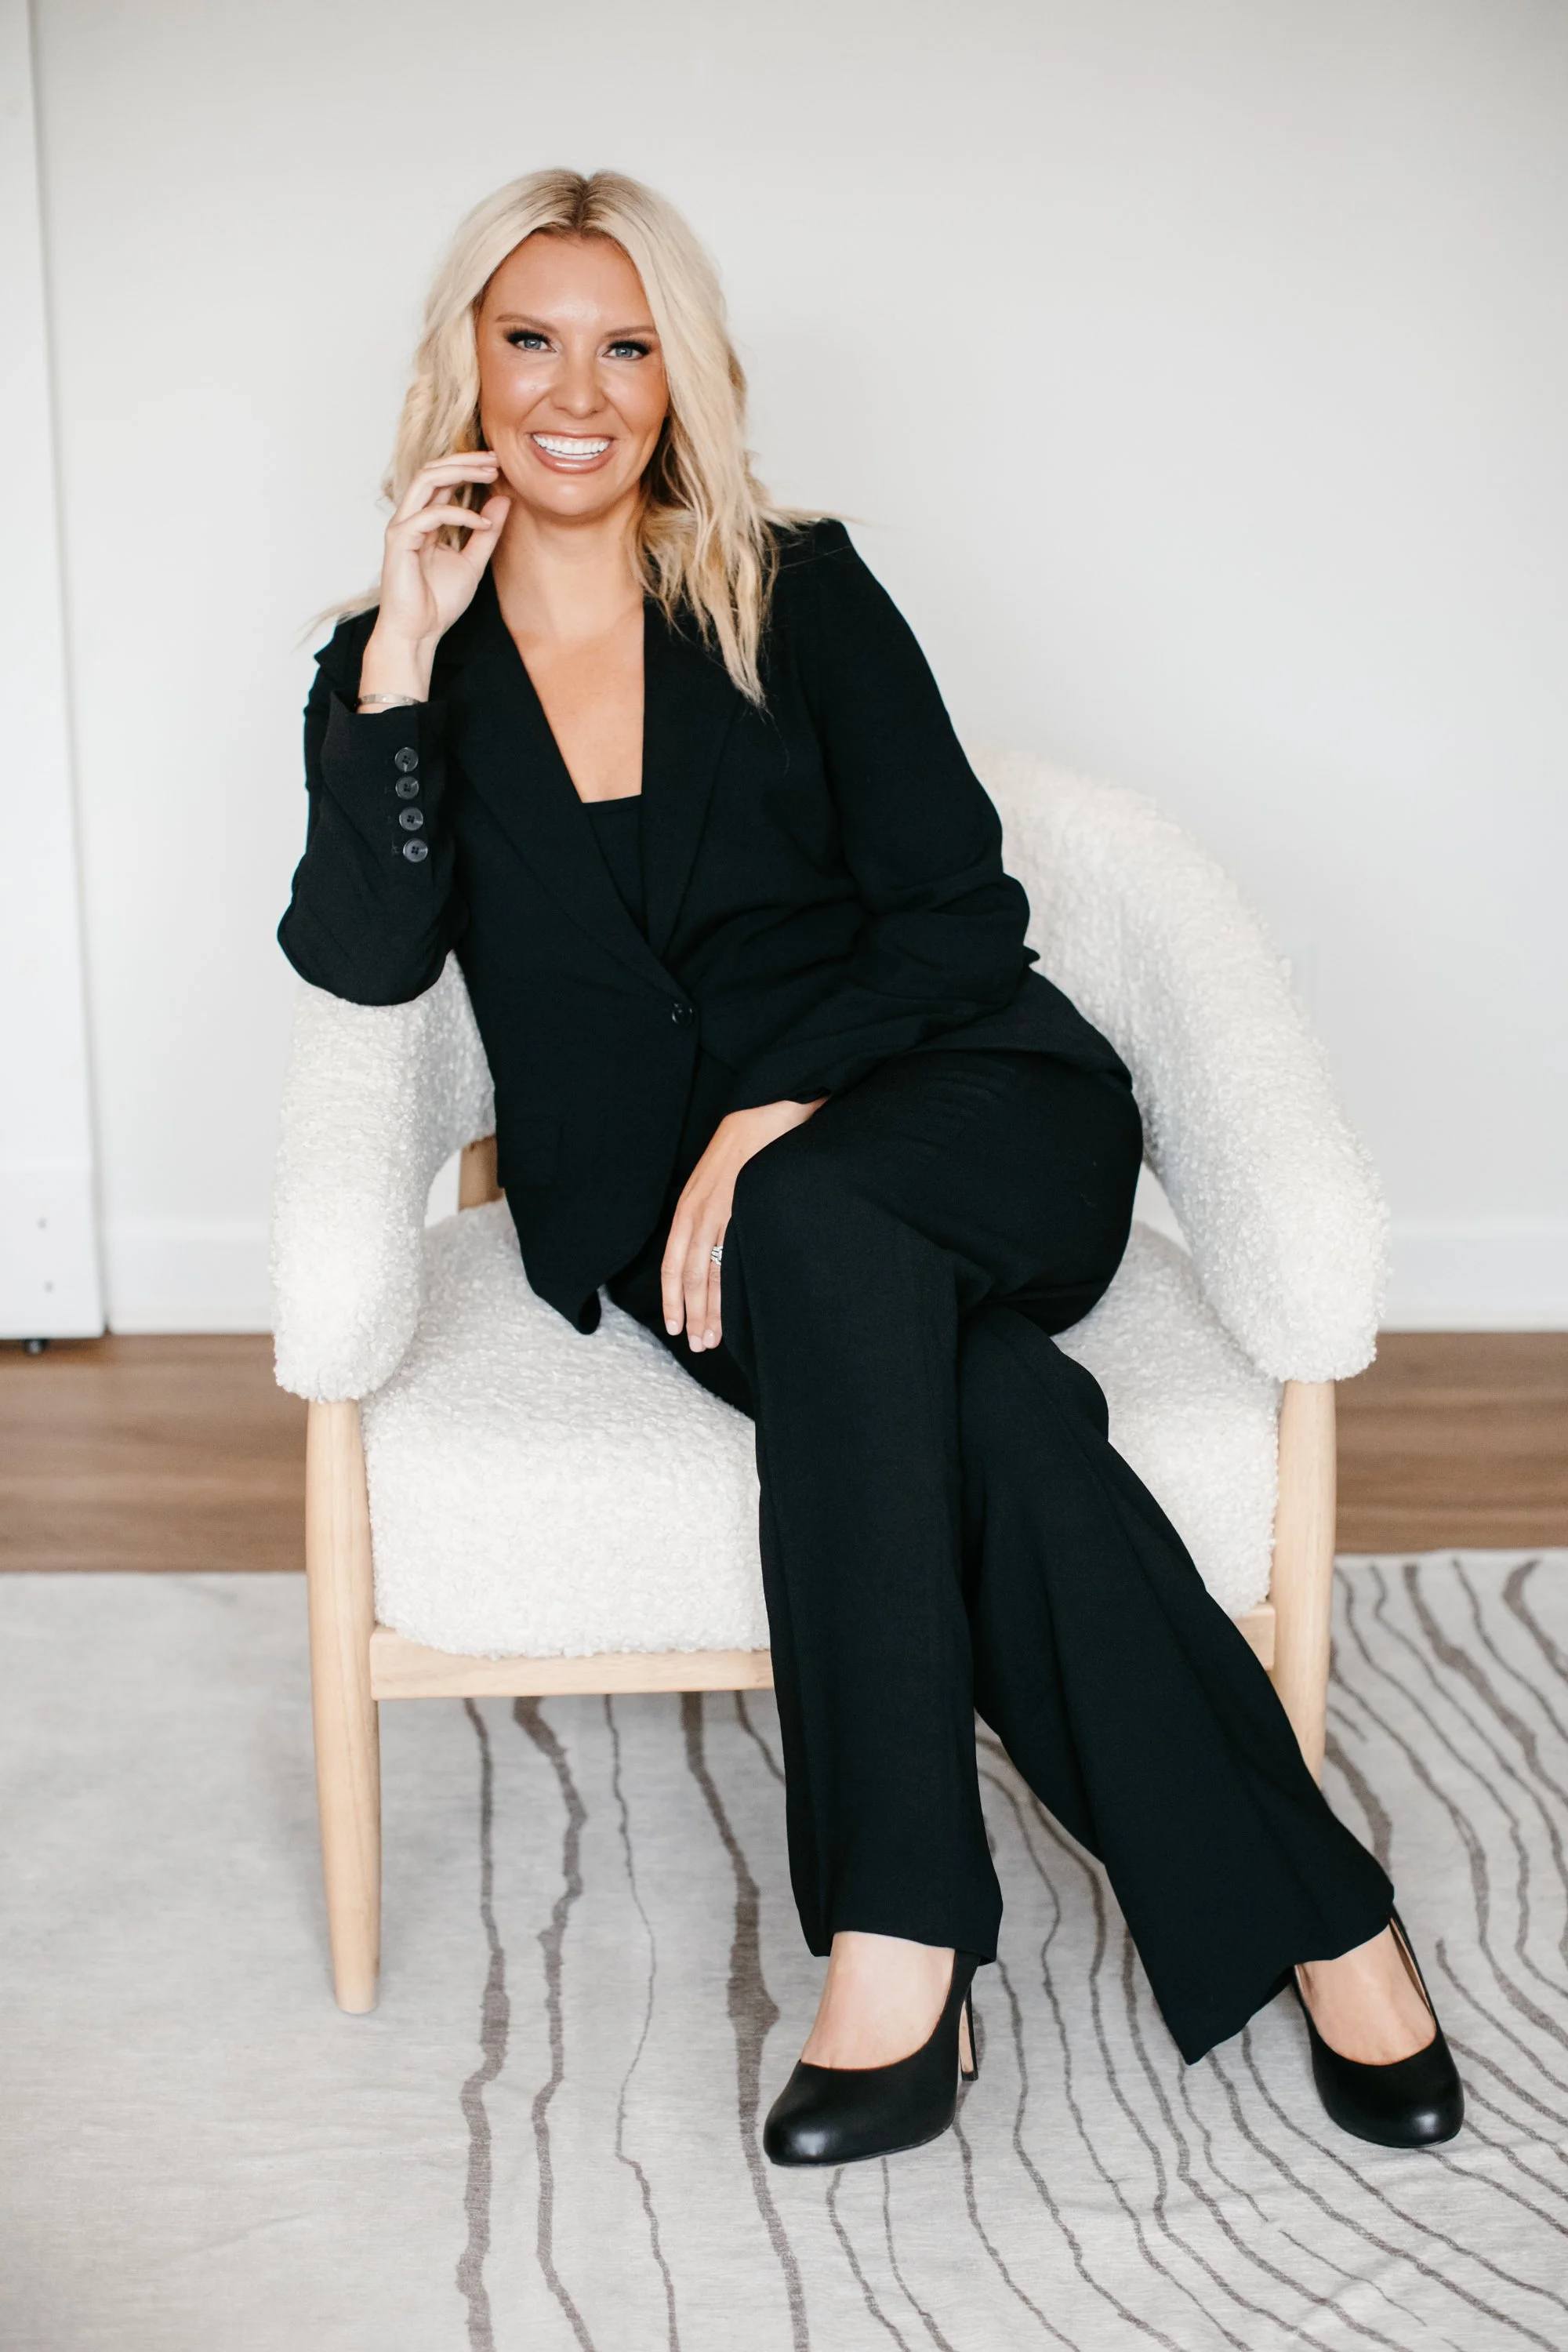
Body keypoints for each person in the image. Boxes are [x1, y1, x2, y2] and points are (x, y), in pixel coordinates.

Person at [279, 167, 1462, 2165]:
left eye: (629, 344)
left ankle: (897, 1950)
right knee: (994, 1419)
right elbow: (368, 956)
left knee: (826, 1217)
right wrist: (400, 657)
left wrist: (766, 1114)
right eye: (534, 340)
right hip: (693, 1236)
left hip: (967, 1105)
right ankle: (1332, 1924)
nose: (581, 391)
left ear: (685, 376)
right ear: (465, 367)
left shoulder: (791, 581)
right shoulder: (392, 673)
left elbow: (956, 906)